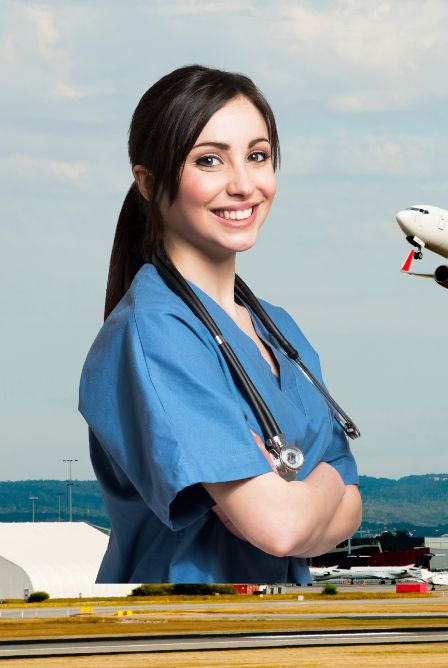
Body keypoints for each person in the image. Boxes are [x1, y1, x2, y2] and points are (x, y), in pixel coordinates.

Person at [79, 65, 361, 584]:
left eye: (258, 156)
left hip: (281, 631)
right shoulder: (154, 334)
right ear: (147, 182)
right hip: (183, 633)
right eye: (209, 160)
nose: (243, 184)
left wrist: (301, 497)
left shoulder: (279, 330)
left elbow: (352, 511)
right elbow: (280, 528)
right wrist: (322, 484)